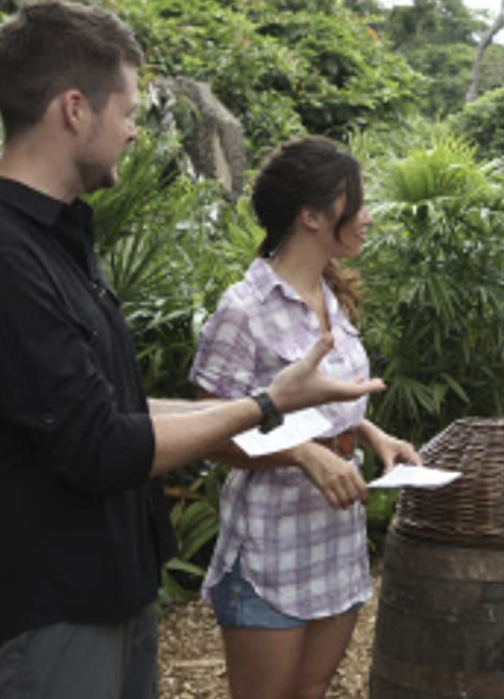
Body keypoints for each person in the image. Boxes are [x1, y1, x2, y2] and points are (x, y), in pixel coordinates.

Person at [0, 3, 383, 698]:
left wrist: (287, 410)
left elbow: (117, 409)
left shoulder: (65, 244)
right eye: (128, 109)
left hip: (117, 591)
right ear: (74, 109)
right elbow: (99, 444)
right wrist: (271, 408)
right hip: (54, 603)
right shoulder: (11, 256)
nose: (133, 129)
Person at [189, 135, 420, 699]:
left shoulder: (332, 297)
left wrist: (369, 432)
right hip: (272, 545)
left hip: (336, 539)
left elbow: (318, 403)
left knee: (312, 690)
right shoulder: (243, 310)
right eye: (356, 202)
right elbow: (203, 429)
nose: (367, 216)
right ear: (312, 216)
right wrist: (301, 454)